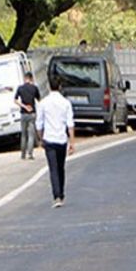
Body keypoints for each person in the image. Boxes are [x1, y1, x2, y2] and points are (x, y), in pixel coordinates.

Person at [36, 78, 76, 208]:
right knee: (60, 167)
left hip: (49, 138)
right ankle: (61, 193)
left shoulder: (43, 103)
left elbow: (39, 124)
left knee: (53, 169)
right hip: (61, 139)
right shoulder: (66, 103)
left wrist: (41, 138)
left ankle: (56, 196)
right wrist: (72, 142)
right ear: (60, 87)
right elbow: (70, 124)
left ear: (49, 86)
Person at [15, 72, 41, 160]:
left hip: (23, 113)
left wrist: (24, 106)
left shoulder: (20, 88)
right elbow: (38, 99)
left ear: (25, 78)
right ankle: (30, 153)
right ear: (31, 78)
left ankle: (23, 154)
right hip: (32, 113)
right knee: (31, 134)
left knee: (23, 134)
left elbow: (15, 100)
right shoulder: (34, 88)